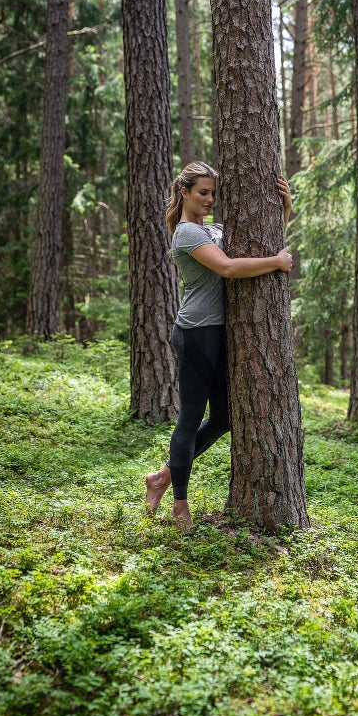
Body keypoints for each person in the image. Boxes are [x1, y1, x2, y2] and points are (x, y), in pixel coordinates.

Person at [145, 161, 293, 529]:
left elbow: (249, 248)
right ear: (184, 192)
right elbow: (228, 268)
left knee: (225, 417)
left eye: (213, 193)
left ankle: (162, 476)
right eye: (203, 193)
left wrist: (284, 211)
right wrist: (277, 262)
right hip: (196, 333)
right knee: (191, 416)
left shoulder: (210, 228)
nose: (210, 199)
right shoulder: (186, 234)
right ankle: (180, 503)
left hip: (218, 334)